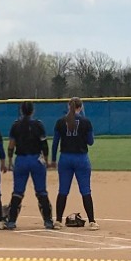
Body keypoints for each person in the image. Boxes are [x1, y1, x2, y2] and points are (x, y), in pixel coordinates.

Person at [3, 101, 54, 231]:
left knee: (18, 192)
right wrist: (46, 161)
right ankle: (48, 221)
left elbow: (11, 146)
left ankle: (12, 221)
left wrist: (10, 160)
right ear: (32, 111)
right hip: (36, 159)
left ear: (21, 111)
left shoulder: (16, 125)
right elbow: (44, 145)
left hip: (21, 160)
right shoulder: (38, 125)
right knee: (41, 191)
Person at [52, 96, 97, 227]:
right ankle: (92, 221)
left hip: (65, 158)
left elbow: (55, 143)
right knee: (85, 190)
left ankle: (58, 221)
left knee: (63, 190)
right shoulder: (85, 122)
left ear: (68, 107)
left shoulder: (60, 122)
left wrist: (53, 160)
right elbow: (91, 142)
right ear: (80, 107)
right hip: (81, 158)